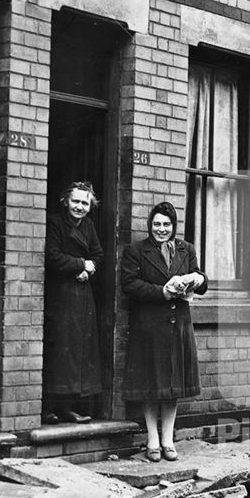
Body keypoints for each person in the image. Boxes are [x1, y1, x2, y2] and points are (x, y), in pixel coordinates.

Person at [120, 201, 208, 462]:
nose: (161, 229)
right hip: (149, 327)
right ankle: (152, 440)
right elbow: (130, 284)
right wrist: (162, 291)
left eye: (166, 224)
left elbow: (201, 279)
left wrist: (197, 279)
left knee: (173, 386)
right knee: (151, 385)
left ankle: (168, 440)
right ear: (150, 225)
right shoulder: (136, 251)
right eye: (157, 224)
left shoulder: (186, 249)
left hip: (178, 325)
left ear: (174, 226)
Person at [42, 181, 103, 424]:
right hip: (60, 296)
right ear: (65, 201)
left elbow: (97, 254)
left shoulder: (88, 225)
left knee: (77, 354)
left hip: (81, 298)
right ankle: (48, 408)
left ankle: (66, 407)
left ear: (90, 206)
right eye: (75, 201)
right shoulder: (54, 223)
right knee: (58, 352)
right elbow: (52, 256)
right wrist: (81, 264)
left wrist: (89, 270)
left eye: (84, 203)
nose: (79, 207)